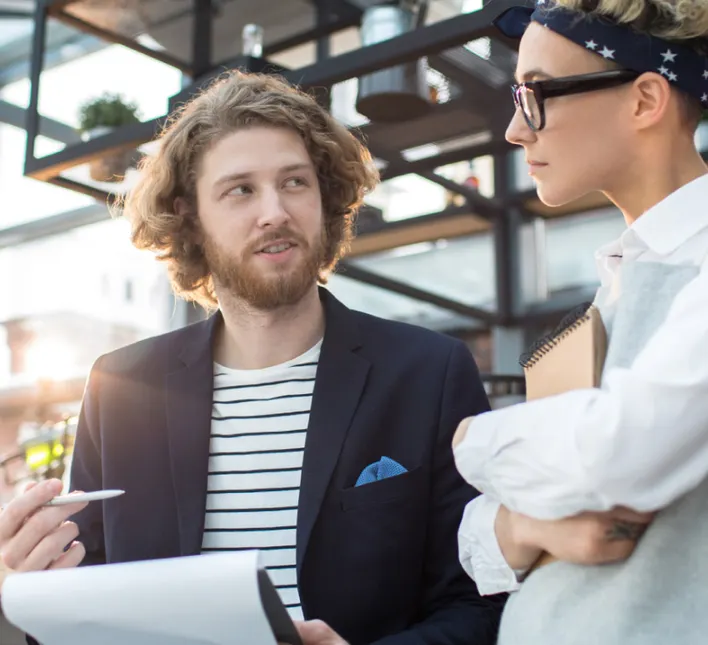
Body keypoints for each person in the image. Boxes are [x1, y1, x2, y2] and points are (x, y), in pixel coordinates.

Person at [0, 71, 504, 645]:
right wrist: (39, 584)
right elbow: (84, 610)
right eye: (240, 189)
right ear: (190, 216)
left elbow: (482, 602)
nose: (275, 212)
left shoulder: (427, 372)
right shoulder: (120, 388)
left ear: (324, 197)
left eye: (294, 182)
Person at [452, 0, 708, 643]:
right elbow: (484, 539)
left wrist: (473, 443)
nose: (515, 128)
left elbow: (622, 450)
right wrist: (528, 525)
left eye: (535, 94)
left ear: (646, 99)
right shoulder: (619, 286)